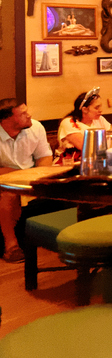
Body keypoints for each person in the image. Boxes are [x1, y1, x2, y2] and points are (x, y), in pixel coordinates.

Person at [0, 99, 53, 263]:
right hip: (4, 179)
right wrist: (17, 176)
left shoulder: (36, 128)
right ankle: (11, 246)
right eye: (23, 114)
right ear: (6, 120)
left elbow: (45, 157)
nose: (29, 115)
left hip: (32, 175)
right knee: (9, 193)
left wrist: (36, 177)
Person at [55, 87, 111, 164]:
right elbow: (87, 147)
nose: (101, 110)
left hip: (96, 162)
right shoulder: (68, 122)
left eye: (100, 106)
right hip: (69, 164)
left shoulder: (100, 119)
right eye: (96, 107)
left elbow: (111, 141)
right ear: (85, 109)